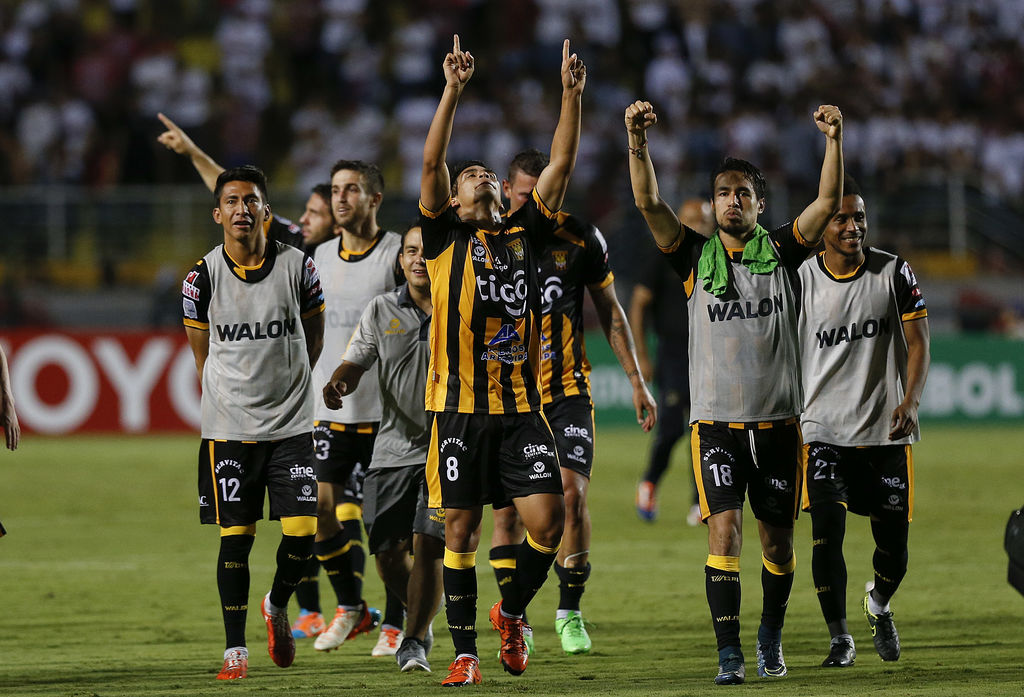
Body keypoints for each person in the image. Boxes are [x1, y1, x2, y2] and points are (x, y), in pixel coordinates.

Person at [624, 99, 844, 684]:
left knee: (776, 545)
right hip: (716, 425)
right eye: (723, 192)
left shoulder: (784, 252)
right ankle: (729, 654)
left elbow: (825, 203)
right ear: (713, 202)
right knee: (724, 530)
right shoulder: (693, 258)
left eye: (743, 192)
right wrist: (636, 141)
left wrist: (833, 142)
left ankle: (770, 634)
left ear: (760, 204)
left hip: (777, 425)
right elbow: (648, 201)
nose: (732, 200)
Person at [418, 35, 585, 686]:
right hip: (457, 412)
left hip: (520, 412)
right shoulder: (441, 239)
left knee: (550, 521)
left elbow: (562, 160)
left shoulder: (525, 233)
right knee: (458, 531)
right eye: (469, 177)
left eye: (486, 175)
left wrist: (570, 96)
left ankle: (511, 611)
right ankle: (464, 654)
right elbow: (432, 159)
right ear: (455, 202)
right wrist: (452, 90)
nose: (481, 176)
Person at [489, 148, 656, 656]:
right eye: (525, 195)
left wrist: (635, 378)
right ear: (506, 192)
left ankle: (569, 611)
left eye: (546, 193)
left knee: (571, 495)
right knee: (508, 516)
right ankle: (514, 616)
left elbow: (609, 309)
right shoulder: (487, 241)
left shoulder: (581, 236)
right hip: (507, 395)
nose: (537, 203)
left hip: (566, 392)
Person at [181, 165, 325, 680]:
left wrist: (288, 391)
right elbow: (203, 357)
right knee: (236, 538)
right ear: (218, 213)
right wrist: (233, 399)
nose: (243, 209)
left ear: (267, 209)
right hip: (229, 432)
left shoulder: (299, 268)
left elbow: (314, 338)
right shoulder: (201, 279)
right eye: (233, 201)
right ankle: (234, 650)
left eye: (252, 200)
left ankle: (277, 603)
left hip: (291, 426)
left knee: (303, 532)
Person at [797, 175, 930, 668]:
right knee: (826, 532)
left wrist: (911, 400)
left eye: (859, 218)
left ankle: (878, 603)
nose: (853, 227)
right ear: (822, 226)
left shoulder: (894, 272)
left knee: (894, 549)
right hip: (822, 430)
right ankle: (839, 638)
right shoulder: (801, 278)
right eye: (842, 218)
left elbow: (918, 341)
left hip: (884, 431)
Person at [322, 224, 446, 673]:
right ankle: (424, 612)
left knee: (429, 542)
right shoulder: (381, 309)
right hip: (392, 447)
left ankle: (412, 640)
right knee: (387, 552)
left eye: (426, 252)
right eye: (410, 251)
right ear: (400, 260)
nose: (417, 259)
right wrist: (340, 382)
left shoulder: (461, 305)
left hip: (446, 448)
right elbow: (356, 359)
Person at [309, 159, 404, 655]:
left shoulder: (395, 256)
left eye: (351, 190)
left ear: (374, 199)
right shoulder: (318, 256)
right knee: (318, 512)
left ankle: (397, 620)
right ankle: (350, 605)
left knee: (386, 529)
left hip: (386, 416)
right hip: (329, 414)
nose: (340, 198)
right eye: (335, 190)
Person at [631, 198, 714, 525]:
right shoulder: (662, 257)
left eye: (705, 220)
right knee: (670, 428)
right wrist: (642, 356)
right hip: (674, 353)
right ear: (678, 221)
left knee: (705, 428)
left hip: (710, 353)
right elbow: (638, 305)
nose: (699, 225)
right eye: (692, 219)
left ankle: (700, 501)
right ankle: (649, 481)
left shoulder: (716, 259)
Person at [157, 113, 337, 252]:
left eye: (315, 214)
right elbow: (233, 190)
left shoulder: (361, 265)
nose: (304, 219)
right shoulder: (297, 243)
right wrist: (193, 153)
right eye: (308, 212)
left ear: (337, 225)